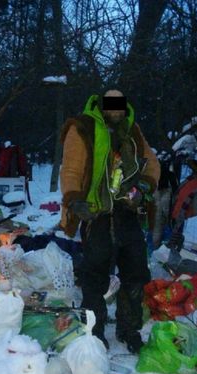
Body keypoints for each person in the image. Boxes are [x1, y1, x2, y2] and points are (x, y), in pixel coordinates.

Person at [59, 89, 161, 353]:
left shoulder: (132, 130)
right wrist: (74, 199)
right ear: (102, 106)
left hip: (128, 213)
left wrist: (143, 189)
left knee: (136, 273)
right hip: (96, 214)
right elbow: (70, 168)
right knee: (94, 275)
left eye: (119, 107)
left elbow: (151, 164)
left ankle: (129, 329)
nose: (115, 112)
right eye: (111, 107)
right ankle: (95, 331)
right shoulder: (83, 127)